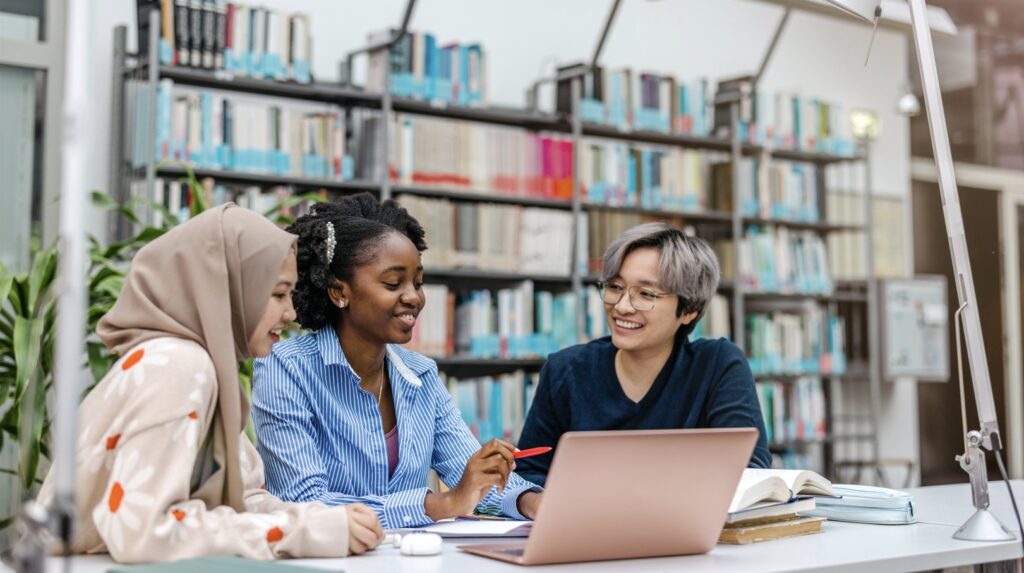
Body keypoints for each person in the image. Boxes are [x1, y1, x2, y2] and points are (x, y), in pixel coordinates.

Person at [36, 205, 383, 563]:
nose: (290, 313)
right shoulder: (179, 365)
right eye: (278, 294)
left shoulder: (203, 368)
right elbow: (143, 533)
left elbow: (240, 502)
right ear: (228, 288)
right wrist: (304, 532)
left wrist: (319, 521)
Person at [252, 193, 542, 529]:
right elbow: (303, 501)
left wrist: (532, 501)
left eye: (418, 283)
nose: (413, 297)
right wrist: (440, 503)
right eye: (393, 283)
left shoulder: (421, 374)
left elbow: (470, 478)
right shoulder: (285, 367)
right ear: (339, 292)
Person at [516, 222, 772, 487]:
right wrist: (534, 500)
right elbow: (528, 472)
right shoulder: (565, 370)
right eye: (615, 287)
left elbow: (748, 469)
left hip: (688, 525)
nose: (622, 307)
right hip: (586, 526)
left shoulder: (718, 364)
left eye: (646, 293)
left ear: (689, 311)